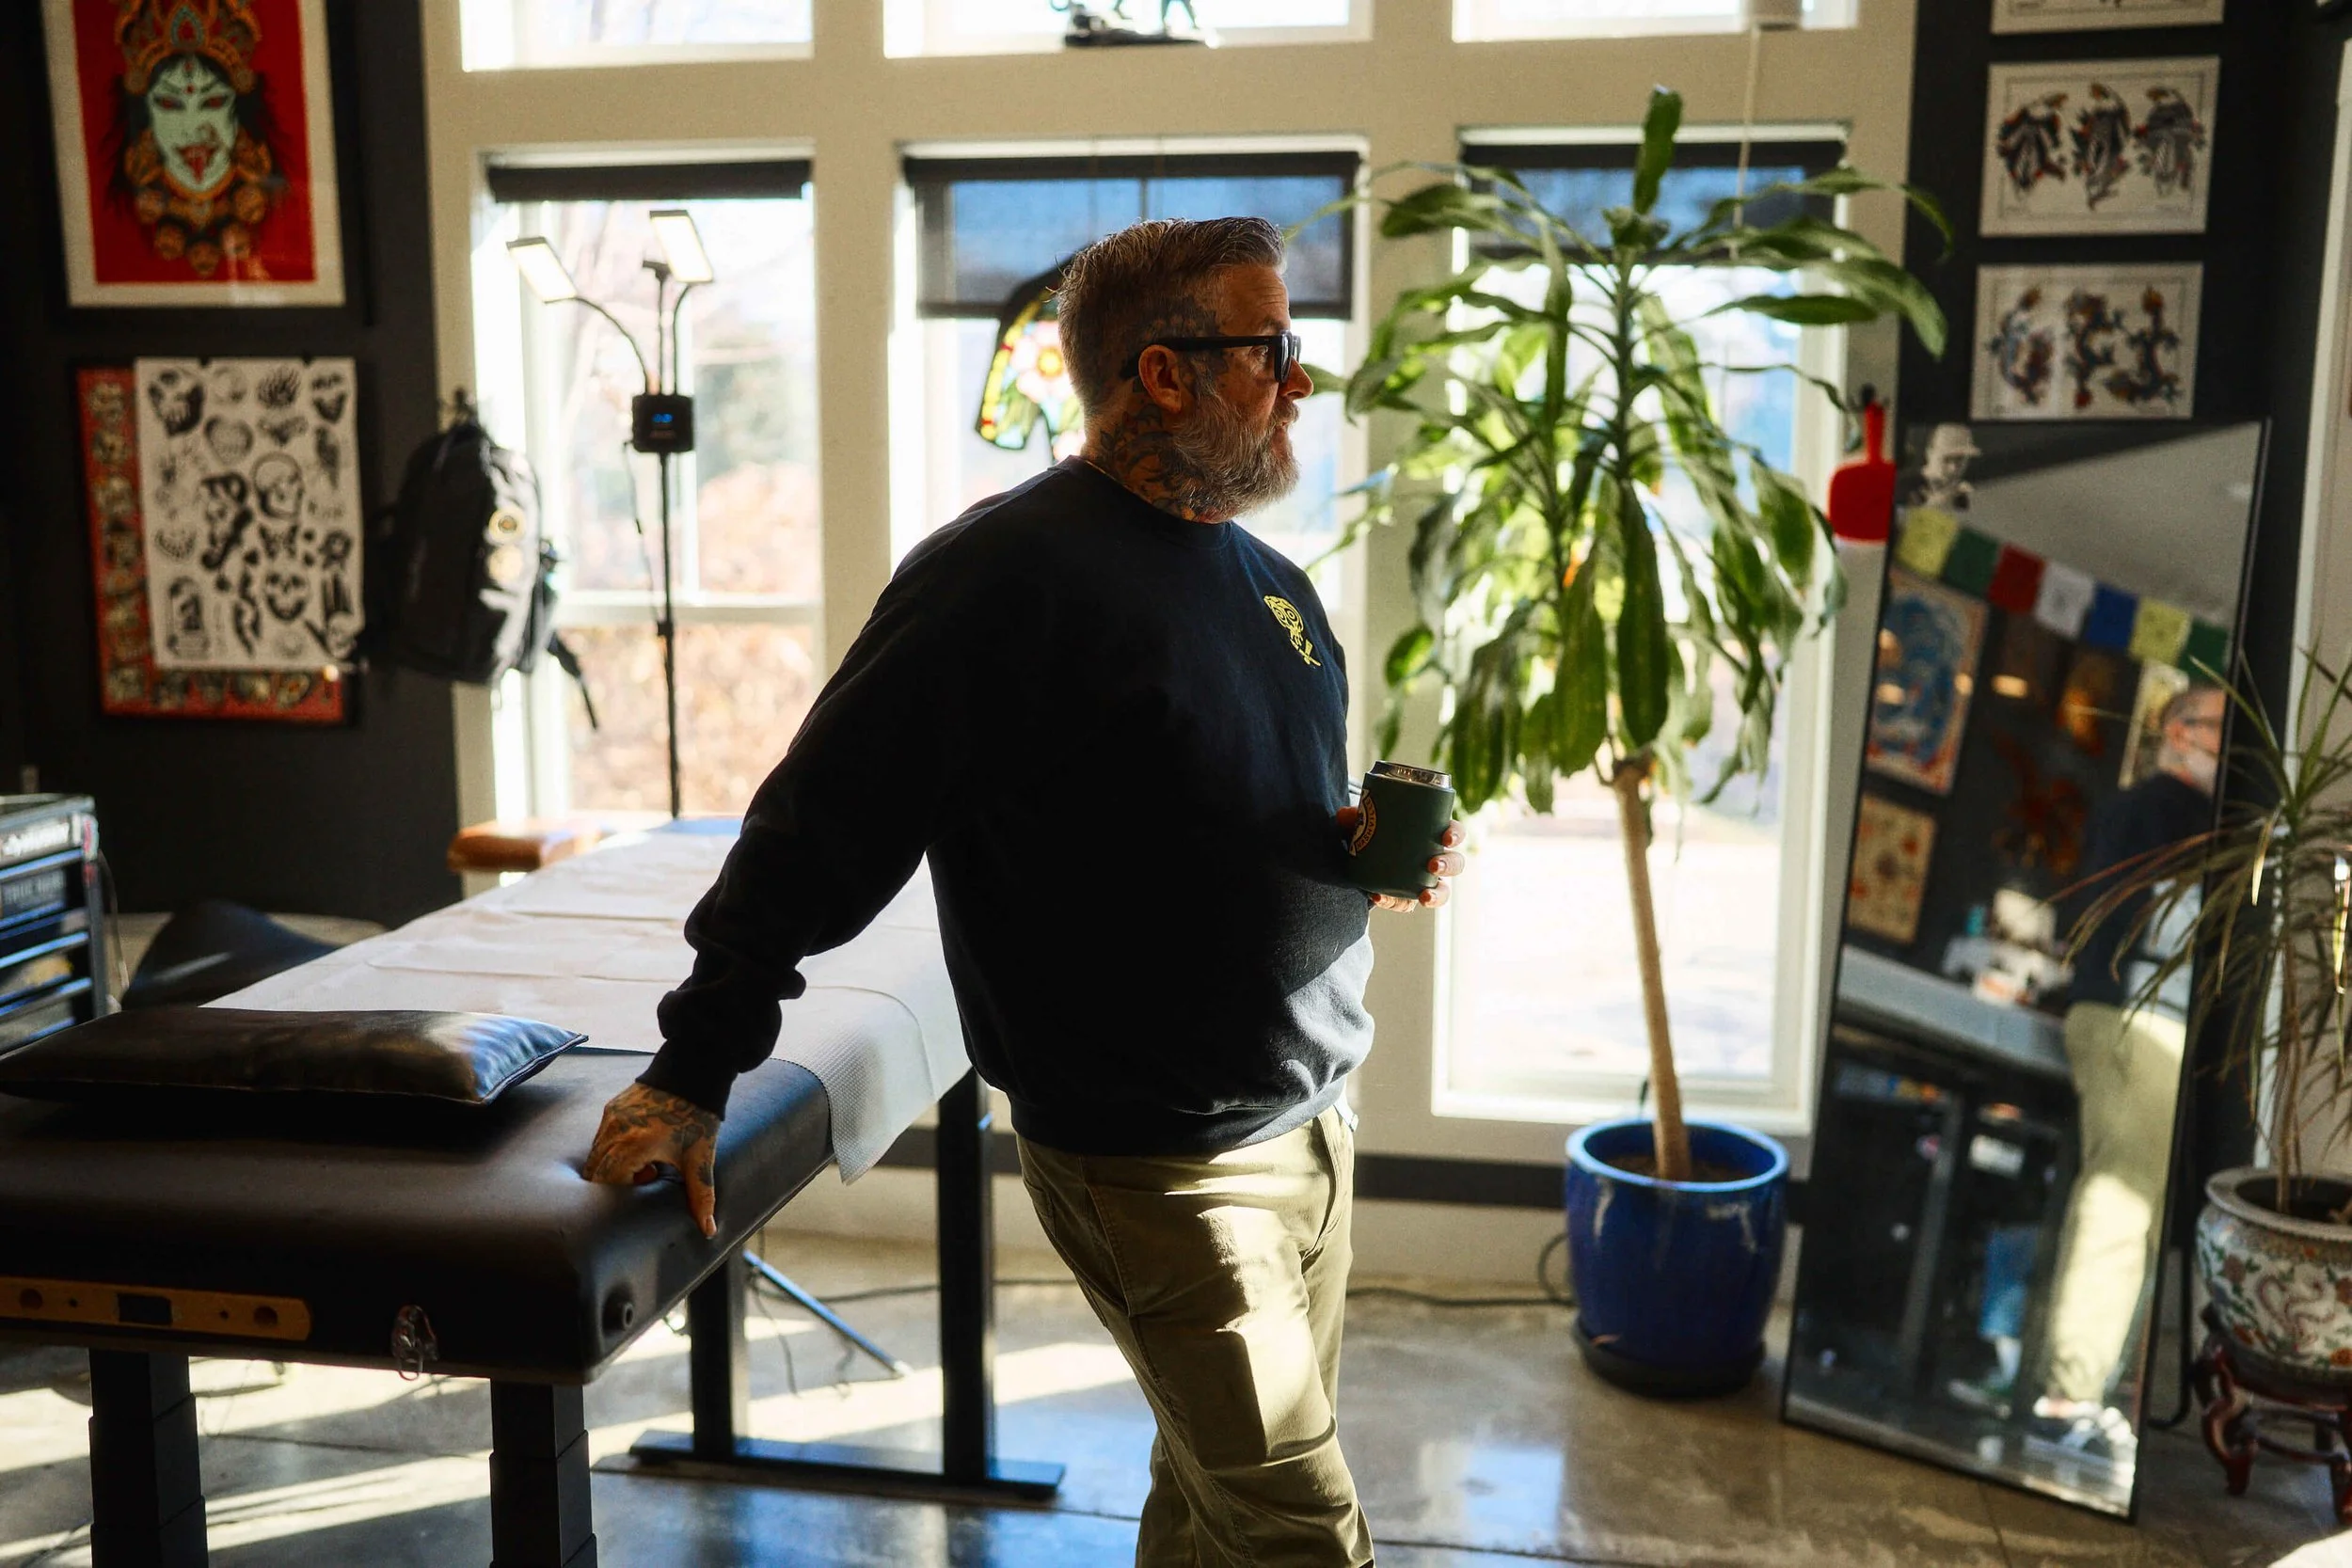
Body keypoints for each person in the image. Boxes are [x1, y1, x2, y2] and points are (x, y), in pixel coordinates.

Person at [580, 215, 1465, 1568]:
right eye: (1271, 348)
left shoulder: (1273, 587)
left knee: (1213, 1507)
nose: (1300, 380)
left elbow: (1217, 804)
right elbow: (820, 823)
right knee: (1299, 1532)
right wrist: (693, 1068)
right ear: (1162, 372)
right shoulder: (1006, 574)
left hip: (1312, 1125)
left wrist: (1353, 854)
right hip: (1164, 1164)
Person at [2037, 680, 2224, 1455]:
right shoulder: (2157, 811)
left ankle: (2082, 1390)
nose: (2229, 748)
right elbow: (2118, 915)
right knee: (2120, 1202)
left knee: (2133, 1205)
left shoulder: (2165, 814)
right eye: (2218, 728)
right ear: (2177, 731)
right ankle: (2068, 1397)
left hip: (2142, 1014)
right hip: (2136, 1013)